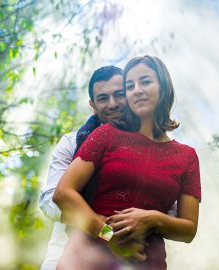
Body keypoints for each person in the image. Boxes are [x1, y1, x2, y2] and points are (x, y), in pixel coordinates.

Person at [53, 55, 201, 269]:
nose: (137, 90)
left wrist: (153, 219)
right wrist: (109, 236)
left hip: (147, 262)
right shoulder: (106, 134)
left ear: (164, 86)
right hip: (87, 258)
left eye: (145, 82)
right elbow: (63, 194)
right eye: (130, 86)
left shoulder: (187, 156)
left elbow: (188, 230)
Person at [39, 66, 132, 269]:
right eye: (103, 98)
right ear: (93, 105)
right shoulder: (73, 143)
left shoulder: (148, 144)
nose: (113, 104)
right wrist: (100, 228)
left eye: (119, 95)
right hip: (64, 255)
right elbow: (49, 201)